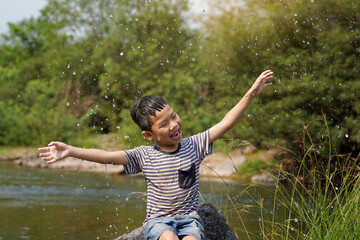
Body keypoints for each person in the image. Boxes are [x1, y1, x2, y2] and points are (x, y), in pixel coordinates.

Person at [38, 70, 273, 240]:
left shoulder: (195, 144)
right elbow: (107, 156)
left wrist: (251, 92)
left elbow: (225, 123)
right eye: (164, 124)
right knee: (168, 238)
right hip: (158, 223)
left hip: (191, 219)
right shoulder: (143, 156)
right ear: (149, 135)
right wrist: (70, 151)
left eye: (174, 116)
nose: (174, 125)